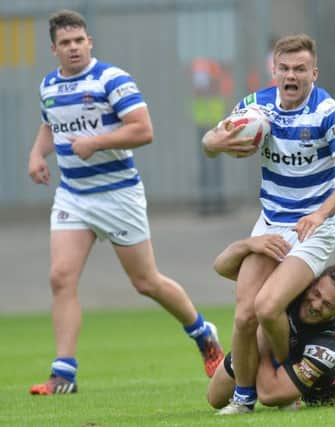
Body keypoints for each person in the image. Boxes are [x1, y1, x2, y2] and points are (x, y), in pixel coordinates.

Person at [27, 9, 223, 395]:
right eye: (65, 43)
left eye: (79, 40)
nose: (73, 48)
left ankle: (202, 332)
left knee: (146, 282)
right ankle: (63, 374)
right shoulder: (49, 85)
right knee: (60, 277)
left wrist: (95, 142)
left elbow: (143, 130)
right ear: (54, 49)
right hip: (73, 195)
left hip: (117, 195)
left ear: (89, 42)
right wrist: (37, 155)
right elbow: (50, 124)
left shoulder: (111, 79)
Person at [201, 33, 335, 412]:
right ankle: (244, 398)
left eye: (300, 69)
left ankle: (284, 371)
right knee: (244, 313)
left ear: (314, 72)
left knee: (267, 307)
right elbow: (211, 140)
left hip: (313, 227)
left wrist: (321, 213)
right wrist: (216, 143)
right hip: (271, 222)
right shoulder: (257, 107)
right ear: (274, 70)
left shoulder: (328, 111)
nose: (291, 76)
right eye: (285, 69)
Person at [207, 236, 335, 414]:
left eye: (327, 304)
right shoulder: (292, 287)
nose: (316, 305)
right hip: (273, 348)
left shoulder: (326, 347)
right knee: (215, 398)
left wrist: (259, 343)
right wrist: (249, 244)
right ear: (312, 282)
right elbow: (222, 267)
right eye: (317, 294)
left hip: (318, 382)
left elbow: (268, 395)